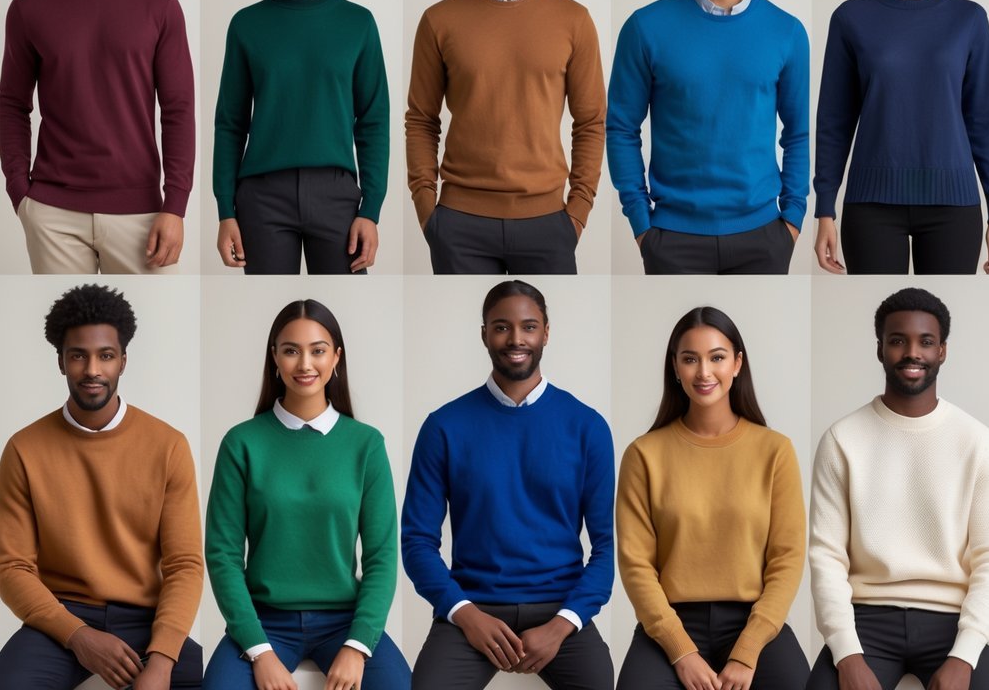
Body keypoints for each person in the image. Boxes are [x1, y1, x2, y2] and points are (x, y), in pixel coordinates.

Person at [402, 280, 614, 689]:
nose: (516, 339)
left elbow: (605, 548)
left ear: (546, 333)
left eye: (529, 327)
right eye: (501, 327)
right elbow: (417, 542)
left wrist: (562, 624)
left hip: (560, 608)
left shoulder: (587, 427)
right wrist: (465, 613)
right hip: (473, 606)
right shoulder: (443, 426)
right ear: (484, 334)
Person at [607, 0, 809, 275]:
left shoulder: (786, 32)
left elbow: (799, 133)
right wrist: (641, 223)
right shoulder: (646, 27)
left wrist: (792, 218)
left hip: (764, 236)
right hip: (672, 237)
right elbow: (621, 127)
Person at [807, 288, 989, 690]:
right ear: (880, 349)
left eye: (926, 342)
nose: (912, 353)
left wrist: (964, 654)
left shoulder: (975, 440)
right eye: (898, 341)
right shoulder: (842, 439)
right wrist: (847, 654)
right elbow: (826, 556)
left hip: (950, 621)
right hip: (866, 618)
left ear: (943, 351)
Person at [0, 284, 203, 688]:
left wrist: (162, 661)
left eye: (105, 355)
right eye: (78, 355)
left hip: (146, 620)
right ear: (61, 362)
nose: (92, 369)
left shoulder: (168, 446)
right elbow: (11, 566)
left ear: (123, 361)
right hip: (59, 619)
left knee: (216, 679)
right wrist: (78, 636)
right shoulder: (24, 449)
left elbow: (184, 564)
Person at [405, 0, 605, 274]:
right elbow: (421, 120)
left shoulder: (574, 19)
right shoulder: (439, 19)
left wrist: (577, 212)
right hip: (459, 223)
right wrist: (427, 209)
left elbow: (591, 122)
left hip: (548, 222)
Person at [0, 0, 195, 274]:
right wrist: (20, 193)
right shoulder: (28, 6)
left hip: (142, 213)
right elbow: (11, 104)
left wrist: (175, 205)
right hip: (53, 213)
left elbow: (178, 109)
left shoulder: (158, 2)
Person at [204, 300, 410, 689]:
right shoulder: (241, 443)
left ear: (336, 357)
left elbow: (382, 556)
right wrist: (259, 651)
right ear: (274, 357)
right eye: (291, 351)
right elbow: (223, 555)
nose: (304, 364)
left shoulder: (366, 444)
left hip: (344, 620)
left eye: (317, 350)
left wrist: (358, 645)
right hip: (263, 620)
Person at [812, 0, 989, 276]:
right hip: (870, 207)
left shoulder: (969, 19)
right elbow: (834, 121)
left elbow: (986, 119)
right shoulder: (851, 18)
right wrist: (825, 210)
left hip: (953, 206)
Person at [616, 306, 810, 689]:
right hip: (670, 621)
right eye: (690, 359)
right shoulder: (644, 454)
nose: (704, 372)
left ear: (737, 363)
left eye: (717, 357)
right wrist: (681, 651)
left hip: (753, 620)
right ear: (675, 367)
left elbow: (787, 558)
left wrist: (747, 650)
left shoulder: (775, 450)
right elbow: (636, 564)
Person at [213, 0, 388, 275]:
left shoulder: (358, 23)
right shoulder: (247, 25)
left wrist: (371, 210)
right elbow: (230, 123)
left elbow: (373, 121)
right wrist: (225, 210)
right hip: (262, 196)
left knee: (341, 301)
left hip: (337, 194)